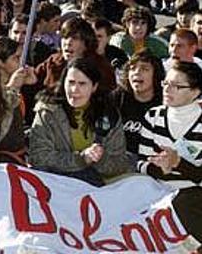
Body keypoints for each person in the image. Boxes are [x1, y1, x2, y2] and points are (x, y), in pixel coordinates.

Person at [29, 58, 129, 186]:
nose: (74, 89)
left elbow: (119, 163)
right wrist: (81, 159)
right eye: (71, 82)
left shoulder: (108, 114)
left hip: (92, 185)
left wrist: (100, 159)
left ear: (94, 87)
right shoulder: (48, 111)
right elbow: (38, 157)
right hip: (53, 182)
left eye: (82, 84)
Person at [136, 62, 202, 247]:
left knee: (186, 202)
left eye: (177, 86)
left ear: (195, 92)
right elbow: (141, 163)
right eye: (165, 83)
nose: (168, 89)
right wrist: (160, 170)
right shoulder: (153, 116)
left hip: (194, 196)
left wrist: (178, 163)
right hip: (157, 189)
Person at [113, 52, 164, 161]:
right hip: (119, 158)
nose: (137, 72)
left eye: (144, 69)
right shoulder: (117, 98)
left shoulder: (165, 102)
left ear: (156, 74)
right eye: (132, 68)